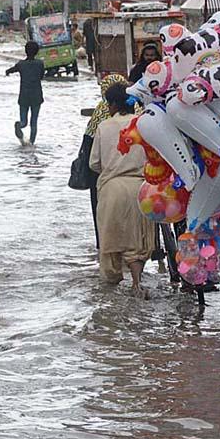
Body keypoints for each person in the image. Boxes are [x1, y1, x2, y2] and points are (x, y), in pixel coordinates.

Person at [90, 83, 155, 292]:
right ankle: (137, 283)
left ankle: (112, 291)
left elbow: (94, 163)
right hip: (141, 188)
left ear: (114, 104)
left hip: (112, 189)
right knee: (137, 241)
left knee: (111, 241)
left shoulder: (104, 126)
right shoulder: (142, 124)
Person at [83, 74, 131, 248]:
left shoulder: (100, 115)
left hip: (105, 176)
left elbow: (91, 154)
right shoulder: (138, 113)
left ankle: (103, 245)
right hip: (137, 176)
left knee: (102, 215)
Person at [5, 40, 45, 145]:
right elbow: (41, 76)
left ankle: (20, 125)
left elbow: (10, 70)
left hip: (24, 96)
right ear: (36, 52)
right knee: (34, 122)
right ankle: (31, 143)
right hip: (36, 96)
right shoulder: (40, 64)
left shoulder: (21, 64)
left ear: (25, 51)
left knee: (24, 121)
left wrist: (7, 72)